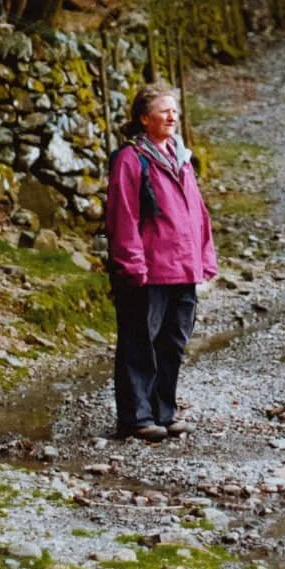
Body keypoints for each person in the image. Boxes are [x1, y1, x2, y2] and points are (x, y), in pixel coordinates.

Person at [102, 82, 217, 441]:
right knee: (140, 343)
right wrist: (132, 265)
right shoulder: (131, 159)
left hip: (183, 270)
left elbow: (198, 213)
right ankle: (136, 418)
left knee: (173, 344)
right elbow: (123, 217)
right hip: (148, 272)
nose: (172, 116)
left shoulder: (181, 158)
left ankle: (164, 413)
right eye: (164, 111)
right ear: (143, 118)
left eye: (174, 111)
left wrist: (204, 257)